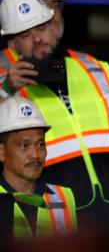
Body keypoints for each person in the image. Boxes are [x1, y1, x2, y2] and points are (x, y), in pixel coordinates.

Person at [0, 0, 109, 228]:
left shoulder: (93, 68)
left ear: (53, 27)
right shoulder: (8, 85)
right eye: (26, 34)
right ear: (13, 43)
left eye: (41, 28)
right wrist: (7, 90)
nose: (38, 38)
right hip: (61, 211)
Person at [0, 96, 77, 238]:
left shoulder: (63, 197)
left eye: (40, 145)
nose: (35, 154)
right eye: (24, 145)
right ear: (2, 152)